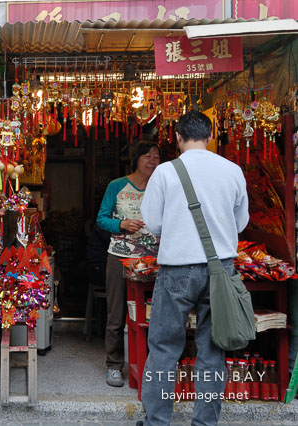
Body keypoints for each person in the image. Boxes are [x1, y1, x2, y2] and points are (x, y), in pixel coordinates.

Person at [138, 111, 248, 426]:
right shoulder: (232, 170)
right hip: (221, 269)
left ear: (177, 137)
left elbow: (154, 223)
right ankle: (205, 422)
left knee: (163, 348)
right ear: (211, 135)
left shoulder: (165, 172)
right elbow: (240, 223)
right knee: (213, 350)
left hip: (176, 269)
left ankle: (157, 421)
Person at [96, 140, 160, 387]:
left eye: (156, 157)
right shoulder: (117, 186)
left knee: (151, 314)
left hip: (152, 259)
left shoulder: (161, 187)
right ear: (136, 159)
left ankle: (148, 365)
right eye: (148, 156)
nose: (153, 161)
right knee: (116, 313)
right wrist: (121, 224)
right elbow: (101, 218)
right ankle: (114, 366)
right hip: (120, 256)